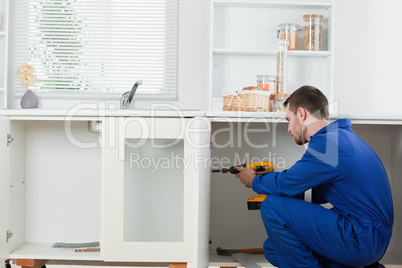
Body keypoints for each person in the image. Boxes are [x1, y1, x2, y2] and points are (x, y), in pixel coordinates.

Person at [236, 86, 393, 268]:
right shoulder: (341, 138)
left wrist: (254, 180)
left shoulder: (328, 144)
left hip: (361, 237)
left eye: (289, 120)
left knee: (272, 206)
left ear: (301, 114)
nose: (288, 128)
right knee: (273, 247)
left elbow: (287, 183)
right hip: (370, 238)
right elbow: (316, 193)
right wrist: (282, 189)